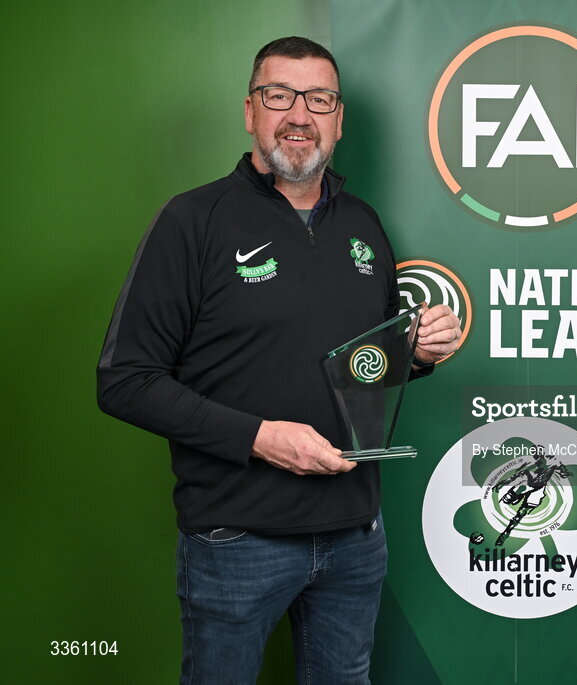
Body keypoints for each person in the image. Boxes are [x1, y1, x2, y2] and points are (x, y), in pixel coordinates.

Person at [97, 36, 461, 684]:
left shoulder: (364, 224)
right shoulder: (192, 221)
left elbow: (367, 365)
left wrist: (419, 351)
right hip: (236, 539)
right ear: (250, 111)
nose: (299, 115)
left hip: (355, 534)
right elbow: (124, 381)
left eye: (319, 99)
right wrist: (261, 438)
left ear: (339, 119)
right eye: (279, 95)